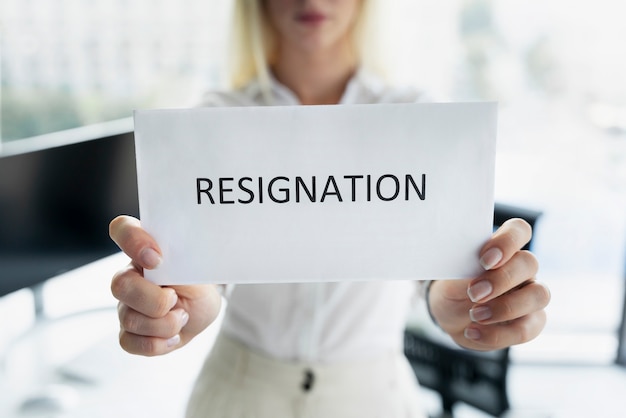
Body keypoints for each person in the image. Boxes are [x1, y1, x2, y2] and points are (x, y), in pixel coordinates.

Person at [109, 1, 551, 417]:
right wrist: (181, 299)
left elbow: (432, 272)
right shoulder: (213, 120)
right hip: (237, 393)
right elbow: (210, 268)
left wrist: (458, 301)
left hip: (375, 396)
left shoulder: (416, 117)